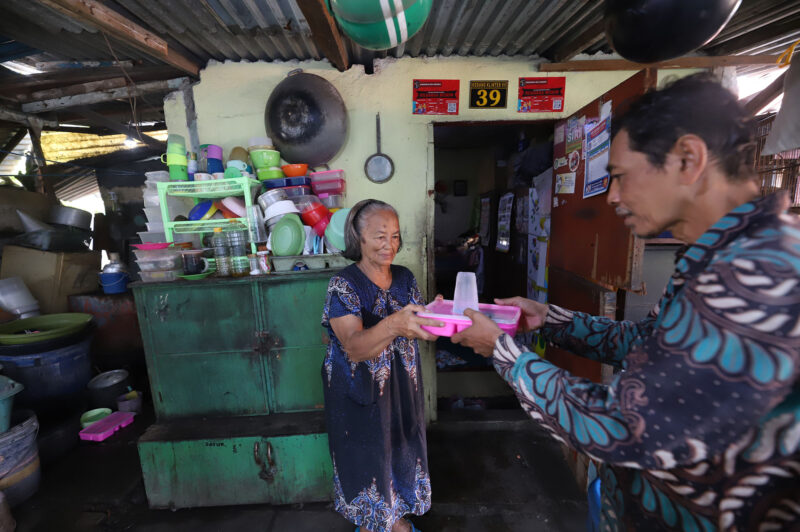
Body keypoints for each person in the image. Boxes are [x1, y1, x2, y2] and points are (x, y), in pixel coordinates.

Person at [451, 74, 800, 530]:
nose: (612, 196)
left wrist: (501, 351)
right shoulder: (715, 258)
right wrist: (549, 319)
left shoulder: (754, 274)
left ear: (688, 159)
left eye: (619, 177)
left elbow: (622, 426)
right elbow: (646, 341)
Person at [321, 199, 443, 532]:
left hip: (402, 386)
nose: (389, 244)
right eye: (379, 236)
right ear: (358, 239)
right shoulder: (343, 284)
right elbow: (355, 347)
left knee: (401, 445)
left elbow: (421, 329)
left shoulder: (404, 278)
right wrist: (393, 325)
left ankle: (395, 518)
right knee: (367, 452)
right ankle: (376, 522)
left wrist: (441, 317)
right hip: (358, 388)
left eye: (395, 236)